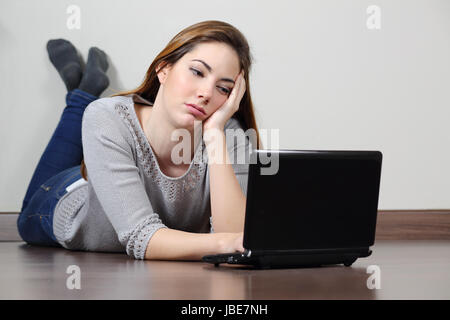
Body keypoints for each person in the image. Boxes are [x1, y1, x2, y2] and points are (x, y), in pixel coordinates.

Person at [17, 20, 262, 261]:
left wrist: (215, 135)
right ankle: (82, 97)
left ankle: (83, 89)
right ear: (163, 69)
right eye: (197, 72)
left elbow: (237, 240)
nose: (206, 93)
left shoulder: (228, 135)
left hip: (112, 167)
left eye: (224, 88)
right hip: (70, 197)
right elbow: (141, 236)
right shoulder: (107, 116)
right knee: (23, 219)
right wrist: (224, 243)